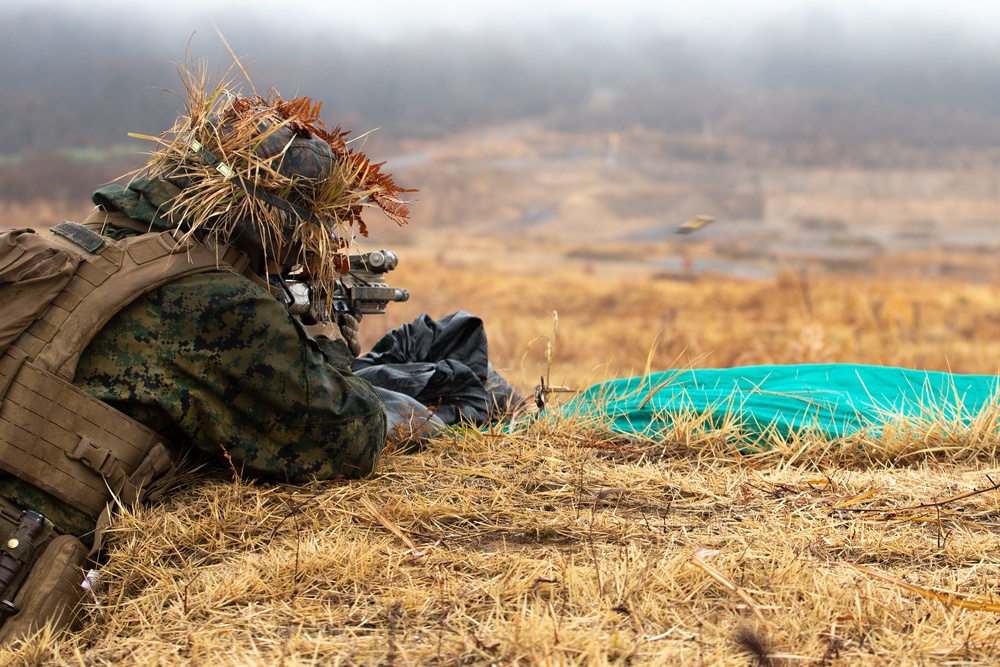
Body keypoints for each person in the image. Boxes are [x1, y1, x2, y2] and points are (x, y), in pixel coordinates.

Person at [0, 81, 411, 642]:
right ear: (279, 224)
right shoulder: (217, 304)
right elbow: (350, 438)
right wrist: (326, 340)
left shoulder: (88, 244)